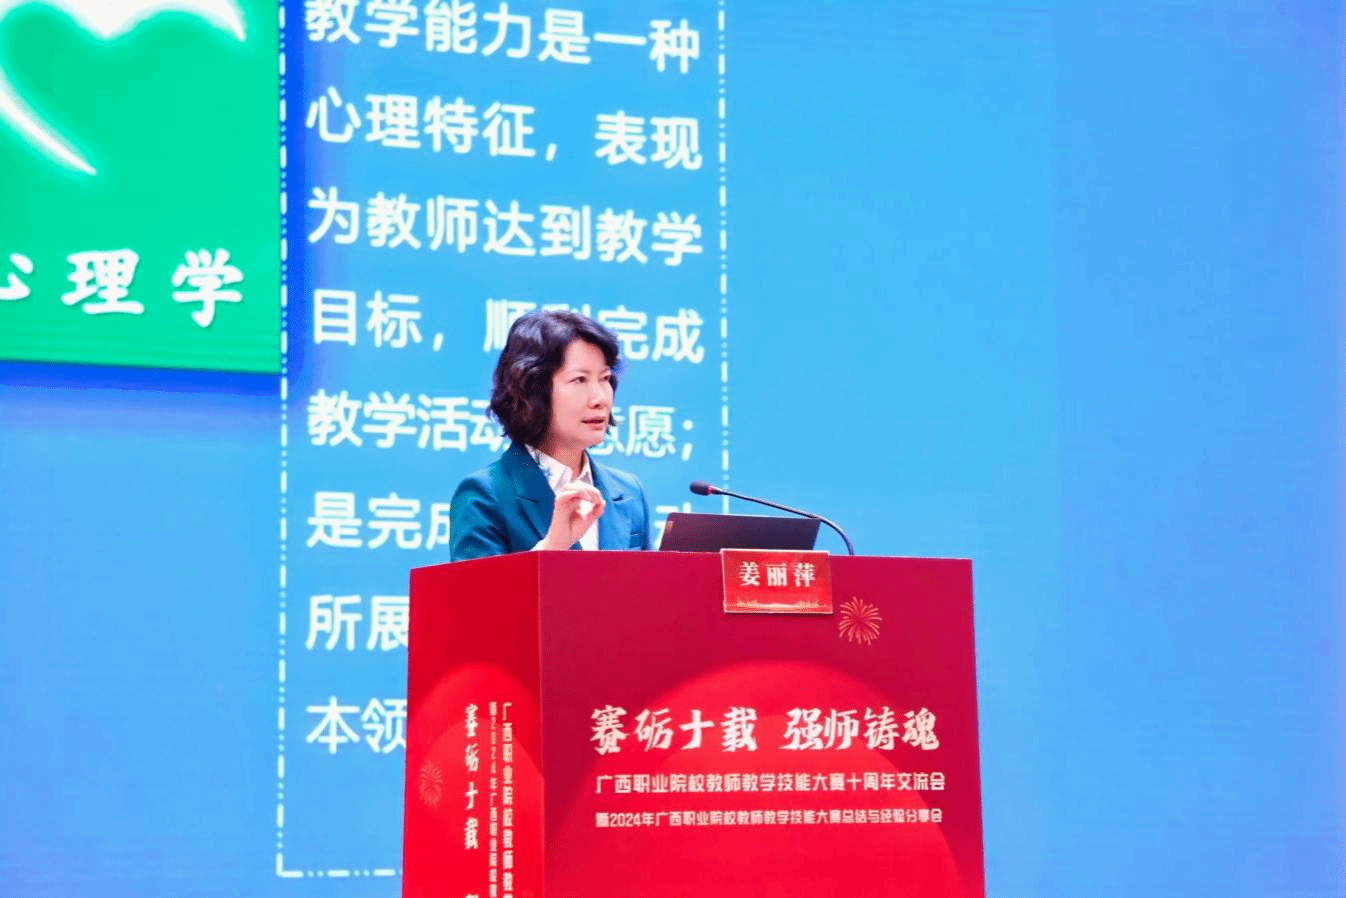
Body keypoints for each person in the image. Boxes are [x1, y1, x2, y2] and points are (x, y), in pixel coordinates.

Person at [449, 310, 652, 561]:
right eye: (579, 380)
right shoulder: (484, 494)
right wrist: (552, 547)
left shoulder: (629, 490)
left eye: (605, 378)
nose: (600, 398)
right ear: (532, 389)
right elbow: (476, 589)